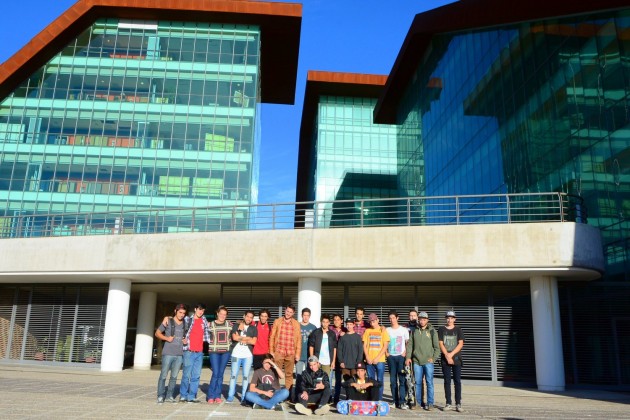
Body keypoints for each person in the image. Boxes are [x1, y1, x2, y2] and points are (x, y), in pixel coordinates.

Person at [405, 311, 440, 411]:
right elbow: (410, 345)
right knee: (418, 383)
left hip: (428, 362)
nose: (422, 321)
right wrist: (408, 357)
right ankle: (418, 403)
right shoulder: (414, 331)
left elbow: (437, 348)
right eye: (420, 319)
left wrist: (433, 358)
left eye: (424, 319)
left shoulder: (432, 331)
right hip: (416, 361)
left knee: (429, 382)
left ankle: (430, 403)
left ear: (427, 320)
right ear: (418, 320)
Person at [154, 303, 187, 403]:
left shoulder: (185, 323)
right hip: (168, 353)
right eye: (180, 312)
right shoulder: (168, 321)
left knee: (174, 376)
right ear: (175, 311)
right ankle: (160, 395)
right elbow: (157, 333)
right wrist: (166, 338)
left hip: (179, 354)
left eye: (183, 313)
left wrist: (185, 341)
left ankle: (169, 396)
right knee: (163, 375)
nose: (182, 315)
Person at [179, 303, 211, 403]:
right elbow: (179, 329)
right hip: (189, 351)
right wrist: (182, 339)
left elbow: (210, 330)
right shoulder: (187, 319)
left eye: (203, 310)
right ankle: (183, 395)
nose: (201, 312)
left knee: (196, 376)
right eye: (199, 309)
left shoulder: (204, 320)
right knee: (186, 375)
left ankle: (191, 396)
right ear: (195, 309)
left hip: (199, 352)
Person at [269, 304, 301, 395]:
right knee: (276, 373)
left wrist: (297, 353)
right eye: (287, 311)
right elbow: (272, 336)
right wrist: (271, 351)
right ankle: (276, 393)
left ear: (293, 313)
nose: (288, 313)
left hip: (291, 352)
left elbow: (299, 339)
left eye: (290, 312)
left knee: (289, 374)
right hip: (279, 351)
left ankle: (288, 394)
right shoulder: (277, 321)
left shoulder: (296, 323)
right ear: (285, 310)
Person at [227, 309, 258, 403]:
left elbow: (254, 341)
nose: (249, 318)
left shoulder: (253, 328)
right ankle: (230, 396)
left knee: (245, 376)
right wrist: (247, 338)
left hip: (248, 355)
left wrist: (240, 338)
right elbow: (234, 337)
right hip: (236, 354)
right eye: (247, 316)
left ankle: (244, 397)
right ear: (244, 316)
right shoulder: (236, 325)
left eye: (251, 317)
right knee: (233, 375)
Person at [438, 310, 465, 412]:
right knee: (447, 381)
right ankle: (448, 403)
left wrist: (451, 355)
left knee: (457, 381)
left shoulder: (458, 330)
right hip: (445, 359)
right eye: (448, 318)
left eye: (451, 318)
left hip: (456, 359)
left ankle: (458, 403)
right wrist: (447, 355)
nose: (449, 320)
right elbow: (440, 343)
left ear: (454, 319)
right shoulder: (441, 329)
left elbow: (460, 344)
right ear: (446, 319)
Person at [206, 306, 233, 404]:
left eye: (224, 314)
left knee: (221, 374)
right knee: (215, 373)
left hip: (226, 352)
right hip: (214, 351)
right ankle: (211, 396)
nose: (222, 316)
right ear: (217, 313)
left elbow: (238, 329)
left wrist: (241, 323)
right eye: (221, 313)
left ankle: (217, 395)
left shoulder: (230, 324)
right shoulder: (210, 324)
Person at [362, 313, 389, 400]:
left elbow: (385, 346)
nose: (372, 323)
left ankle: (379, 399)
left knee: (380, 380)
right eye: (370, 322)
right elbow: (364, 345)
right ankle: (372, 398)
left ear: (378, 320)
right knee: (370, 380)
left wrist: (377, 358)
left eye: (374, 321)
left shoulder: (383, 331)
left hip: (380, 360)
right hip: (369, 360)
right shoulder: (367, 331)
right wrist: (367, 357)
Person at [386, 310, 409, 409]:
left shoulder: (403, 330)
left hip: (401, 357)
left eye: (393, 318)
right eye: (390, 318)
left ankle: (402, 401)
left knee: (402, 379)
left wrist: (405, 352)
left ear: (397, 318)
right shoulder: (387, 330)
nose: (392, 320)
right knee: (392, 380)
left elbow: (408, 342)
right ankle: (394, 401)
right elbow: (385, 343)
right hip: (391, 357)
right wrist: (387, 353)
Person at [297, 308, 317, 401]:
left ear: (309, 316)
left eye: (307, 315)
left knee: (310, 377)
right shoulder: (297, 325)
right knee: (299, 376)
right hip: (299, 356)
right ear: (301, 315)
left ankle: (309, 396)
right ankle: (298, 396)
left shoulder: (313, 327)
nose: (306, 317)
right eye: (304, 315)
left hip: (309, 357)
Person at [330, 313, 346, 403]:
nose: (336, 321)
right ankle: (328, 397)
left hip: (340, 357)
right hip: (331, 357)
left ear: (341, 321)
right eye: (335, 319)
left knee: (338, 379)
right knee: (329, 378)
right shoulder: (330, 329)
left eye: (338, 319)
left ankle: (336, 399)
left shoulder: (345, 330)